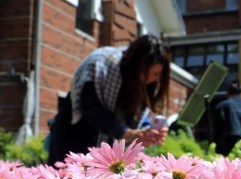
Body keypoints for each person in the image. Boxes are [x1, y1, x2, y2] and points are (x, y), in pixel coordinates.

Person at [48, 34, 170, 166]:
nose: (147, 79)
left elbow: (137, 116)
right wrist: (126, 132)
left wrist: (146, 131)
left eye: (156, 74)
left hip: (109, 147)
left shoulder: (146, 84)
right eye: (143, 72)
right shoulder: (100, 64)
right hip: (74, 137)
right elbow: (90, 108)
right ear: (133, 65)